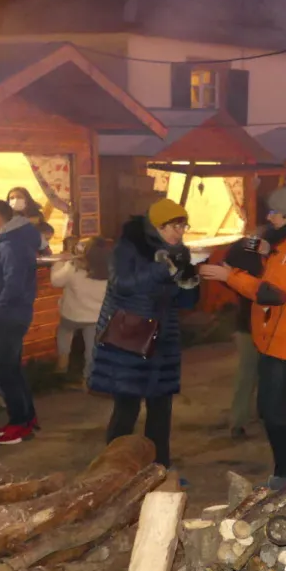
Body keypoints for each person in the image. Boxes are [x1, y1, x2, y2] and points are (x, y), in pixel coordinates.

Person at [201, 171, 286, 488]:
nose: (270, 217)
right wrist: (255, 253)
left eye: (275, 213)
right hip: (278, 338)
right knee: (272, 408)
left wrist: (227, 277)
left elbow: (272, 293)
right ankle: (284, 472)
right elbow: (262, 266)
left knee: (275, 410)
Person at [89, 199, 200, 467]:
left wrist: (190, 282)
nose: (180, 232)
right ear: (157, 225)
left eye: (183, 226)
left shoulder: (179, 251)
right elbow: (122, 284)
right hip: (130, 337)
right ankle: (113, 469)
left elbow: (186, 303)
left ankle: (159, 469)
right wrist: (163, 268)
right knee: (126, 409)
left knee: (161, 412)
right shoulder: (129, 248)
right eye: (174, 226)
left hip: (163, 341)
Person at [0, 199, 43, 445]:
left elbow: (14, 284)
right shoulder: (13, 240)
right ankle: (25, 417)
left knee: (1, 372)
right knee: (12, 369)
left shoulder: (11, 244)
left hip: (6, 316)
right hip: (15, 313)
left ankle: (19, 425)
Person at [222, 220, 270, 440]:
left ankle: (246, 419)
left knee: (251, 373)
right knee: (253, 372)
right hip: (254, 321)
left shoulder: (252, 246)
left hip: (258, 320)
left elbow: (227, 269)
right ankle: (242, 421)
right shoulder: (255, 246)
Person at [50, 237, 111, 383]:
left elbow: (56, 281)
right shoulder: (109, 271)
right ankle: (87, 379)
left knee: (64, 331)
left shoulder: (73, 267)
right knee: (91, 349)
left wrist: (60, 261)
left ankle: (62, 363)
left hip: (72, 314)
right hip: (95, 317)